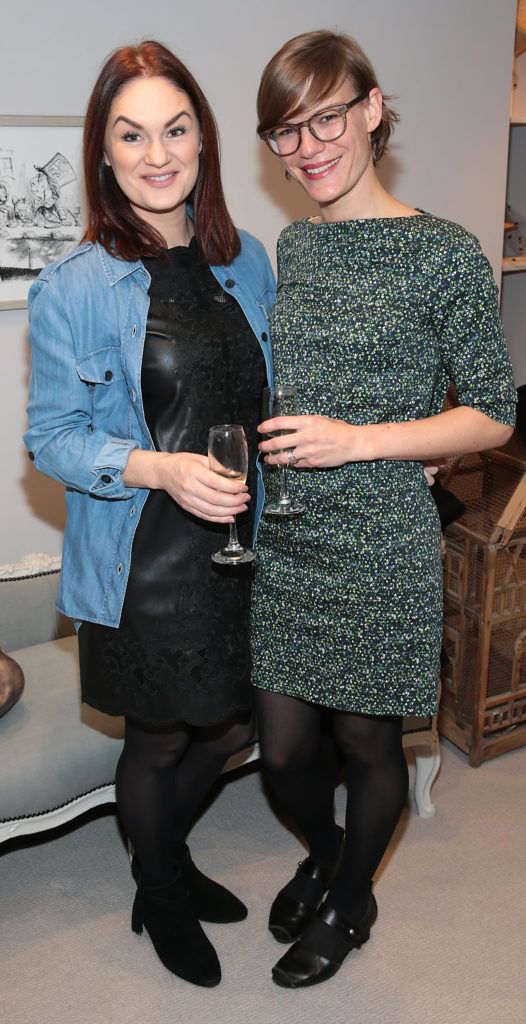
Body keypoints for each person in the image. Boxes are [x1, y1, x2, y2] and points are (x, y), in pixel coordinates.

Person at [252, 29, 516, 989]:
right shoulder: (293, 244)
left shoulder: (442, 251)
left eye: (326, 116)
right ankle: (325, 852)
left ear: (371, 109)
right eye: (284, 130)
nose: (306, 145)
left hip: (380, 537)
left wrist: (364, 440)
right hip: (289, 535)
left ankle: (352, 895)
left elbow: (493, 413)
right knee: (282, 750)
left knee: (368, 740)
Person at [24, 40, 274, 989]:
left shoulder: (244, 259)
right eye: (132, 135)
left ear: (204, 143)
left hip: (241, 545)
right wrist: (160, 469)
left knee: (232, 727)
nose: (157, 153)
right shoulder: (76, 286)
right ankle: (162, 886)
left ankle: (157, 857)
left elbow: (266, 396)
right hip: (143, 554)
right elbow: (51, 438)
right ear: (104, 152)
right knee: (160, 735)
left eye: (175, 129)